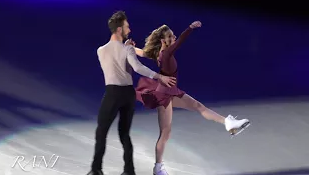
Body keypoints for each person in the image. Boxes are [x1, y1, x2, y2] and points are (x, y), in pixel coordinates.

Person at [131, 21, 251, 175]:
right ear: (163, 40)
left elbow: (142, 52)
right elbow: (180, 41)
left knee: (197, 107)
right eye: (170, 36)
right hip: (164, 96)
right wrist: (190, 28)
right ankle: (158, 168)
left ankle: (229, 123)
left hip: (172, 91)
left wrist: (128, 47)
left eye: (173, 35)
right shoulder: (166, 53)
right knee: (165, 132)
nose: (173, 37)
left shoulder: (158, 53)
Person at [87, 11, 177, 175]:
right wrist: (159, 76)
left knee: (101, 132)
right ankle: (129, 171)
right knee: (124, 134)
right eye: (127, 26)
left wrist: (128, 48)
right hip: (128, 94)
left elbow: (116, 61)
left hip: (113, 93)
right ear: (120, 29)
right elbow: (136, 67)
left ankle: (96, 170)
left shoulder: (101, 50)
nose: (130, 29)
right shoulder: (128, 49)